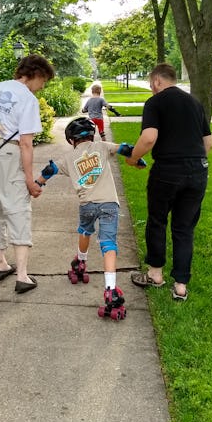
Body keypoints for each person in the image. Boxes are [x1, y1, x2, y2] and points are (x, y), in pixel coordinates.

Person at [35, 117, 145, 319]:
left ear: (71, 140)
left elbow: (49, 170)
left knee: (85, 231)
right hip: (109, 204)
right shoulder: (102, 146)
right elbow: (126, 149)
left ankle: (81, 262)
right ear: (92, 135)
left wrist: (37, 184)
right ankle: (110, 289)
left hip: (87, 205)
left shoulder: (68, 158)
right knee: (108, 243)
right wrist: (138, 161)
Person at [125, 63, 212, 302]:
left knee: (157, 221)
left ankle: (155, 275)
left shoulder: (155, 102)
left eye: (151, 84)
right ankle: (181, 287)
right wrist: (192, 163)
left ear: (156, 81)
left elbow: (149, 138)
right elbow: (209, 143)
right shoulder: (195, 103)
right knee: (184, 228)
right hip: (198, 172)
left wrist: (134, 158)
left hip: (167, 171)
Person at [0, 54, 55, 294]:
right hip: (8, 156)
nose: (42, 87)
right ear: (36, 74)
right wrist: (30, 180)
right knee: (18, 209)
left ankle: (0, 264)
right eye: (44, 81)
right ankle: (22, 275)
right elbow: (26, 144)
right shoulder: (27, 99)